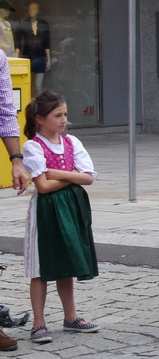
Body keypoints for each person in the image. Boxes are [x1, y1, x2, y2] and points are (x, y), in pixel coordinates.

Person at [18, 92, 99, 345]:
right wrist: (69, 174)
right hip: (46, 209)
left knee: (66, 261)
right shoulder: (33, 146)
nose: (64, 120)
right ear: (40, 119)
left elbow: (88, 177)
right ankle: (38, 322)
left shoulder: (72, 142)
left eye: (65, 114)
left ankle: (70, 316)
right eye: (58, 115)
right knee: (40, 266)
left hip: (70, 207)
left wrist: (55, 173)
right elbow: (42, 186)